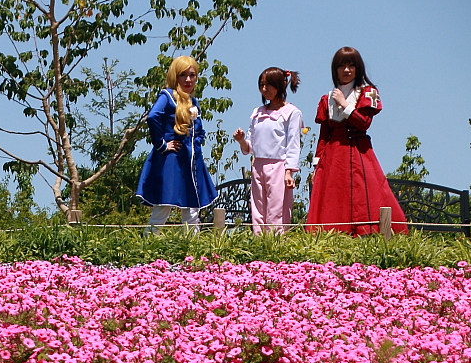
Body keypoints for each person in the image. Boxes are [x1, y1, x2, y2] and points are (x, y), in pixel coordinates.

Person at [305, 47, 408, 235]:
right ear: (335, 69)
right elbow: (324, 134)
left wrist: (344, 104)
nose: (346, 70)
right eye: (341, 66)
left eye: (351, 65)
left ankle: (368, 232)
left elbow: (364, 123)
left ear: (358, 68)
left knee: (364, 191)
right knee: (332, 195)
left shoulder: (367, 92)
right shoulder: (327, 99)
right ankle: (333, 235)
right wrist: (316, 164)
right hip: (333, 155)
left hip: (358, 151)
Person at [136, 55, 217, 232]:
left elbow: (199, 130)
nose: (188, 80)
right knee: (163, 205)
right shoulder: (167, 96)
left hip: (191, 161)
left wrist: (197, 142)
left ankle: (191, 247)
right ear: (175, 76)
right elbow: (153, 117)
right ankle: (148, 245)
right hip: (171, 159)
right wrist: (162, 145)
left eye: (192, 75)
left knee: (192, 208)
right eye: (183, 75)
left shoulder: (193, 101)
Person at [233, 67, 304, 234]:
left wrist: (289, 171)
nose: (264, 89)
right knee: (257, 208)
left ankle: (276, 243)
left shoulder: (291, 113)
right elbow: (250, 146)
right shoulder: (257, 113)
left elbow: (293, 144)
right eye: (261, 85)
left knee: (276, 209)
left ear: (281, 85)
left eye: (268, 85)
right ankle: (259, 242)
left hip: (279, 166)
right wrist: (241, 140)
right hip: (258, 165)